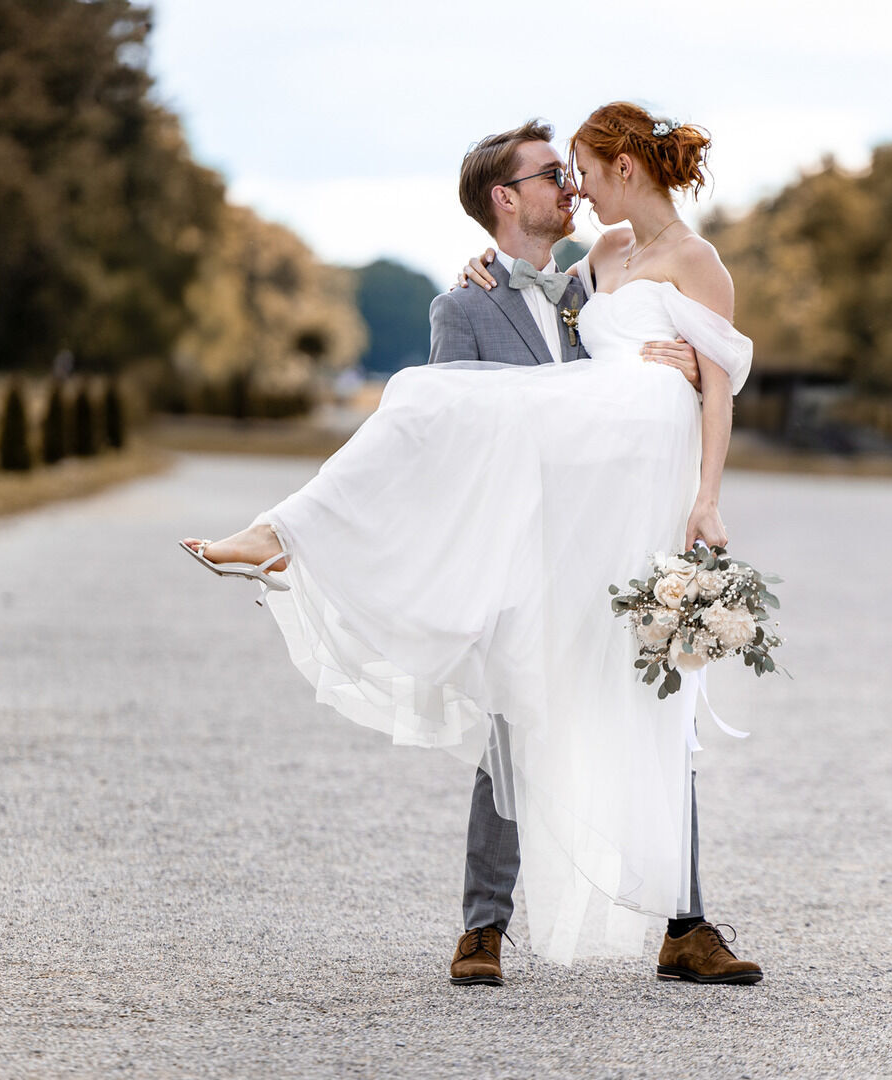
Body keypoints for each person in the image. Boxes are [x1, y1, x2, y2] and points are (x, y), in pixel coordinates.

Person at [182, 103, 763, 986]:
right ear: (504, 197)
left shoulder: (589, 276)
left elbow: (667, 352)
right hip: (520, 544)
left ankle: (687, 923)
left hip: (612, 522)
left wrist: (686, 370)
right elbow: (450, 441)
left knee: (655, 703)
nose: (569, 187)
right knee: (511, 722)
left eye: (576, 172)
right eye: (549, 175)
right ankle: (482, 930)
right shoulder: (466, 304)